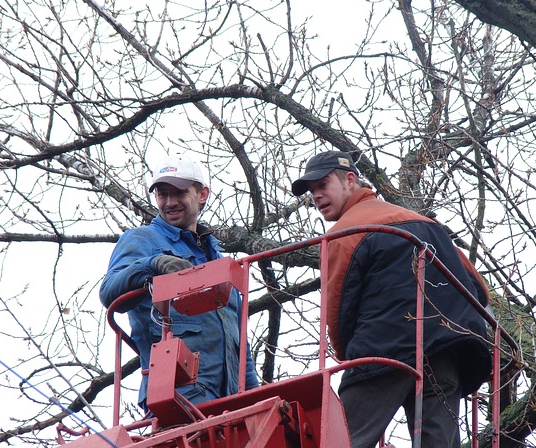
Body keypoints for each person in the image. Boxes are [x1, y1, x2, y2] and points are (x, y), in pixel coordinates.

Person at [291, 151, 491, 448]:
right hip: (446, 353)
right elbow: (479, 288)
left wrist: (351, 359)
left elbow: (337, 310)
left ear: (349, 180)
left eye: (323, 185)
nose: (316, 196)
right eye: (312, 191)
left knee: (344, 440)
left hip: (383, 350)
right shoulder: (426, 224)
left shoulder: (346, 231)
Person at [100, 154, 258, 412]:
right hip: (179, 394)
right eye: (163, 194)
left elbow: (241, 348)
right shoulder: (142, 240)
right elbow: (109, 293)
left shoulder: (219, 262)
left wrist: (255, 400)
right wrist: (153, 264)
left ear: (202, 194)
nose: (170, 202)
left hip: (230, 402)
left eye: (179, 193)